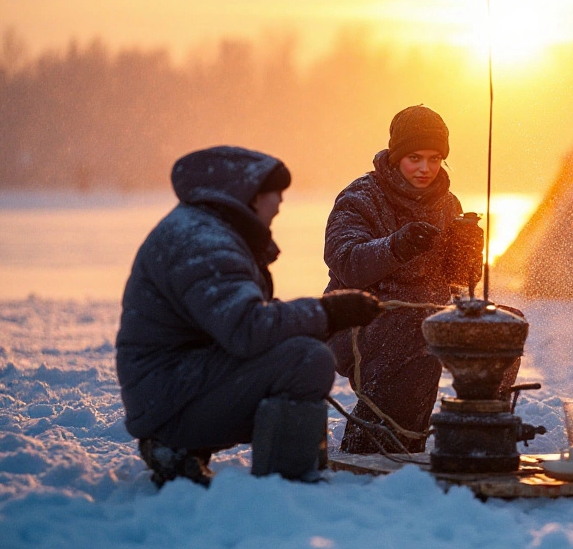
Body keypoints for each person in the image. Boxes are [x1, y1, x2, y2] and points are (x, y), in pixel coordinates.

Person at [116, 146, 382, 487]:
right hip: (168, 402)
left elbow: (235, 322)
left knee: (299, 348)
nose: (280, 206)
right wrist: (326, 312)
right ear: (252, 196)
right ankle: (284, 484)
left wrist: (314, 318)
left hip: (170, 389)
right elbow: (245, 328)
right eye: (277, 196)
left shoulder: (203, 230)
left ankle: (186, 447)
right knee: (306, 360)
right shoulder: (204, 243)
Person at [324, 105, 487, 454]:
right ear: (396, 156)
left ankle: (481, 438)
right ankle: (370, 445)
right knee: (415, 333)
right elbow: (345, 261)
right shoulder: (360, 198)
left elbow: (459, 281)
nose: (425, 168)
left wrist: (469, 256)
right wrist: (394, 246)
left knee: (498, 330)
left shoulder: (448, 204)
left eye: (435, 158)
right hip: (357, 323)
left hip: (426, 319)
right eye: (415, 157)